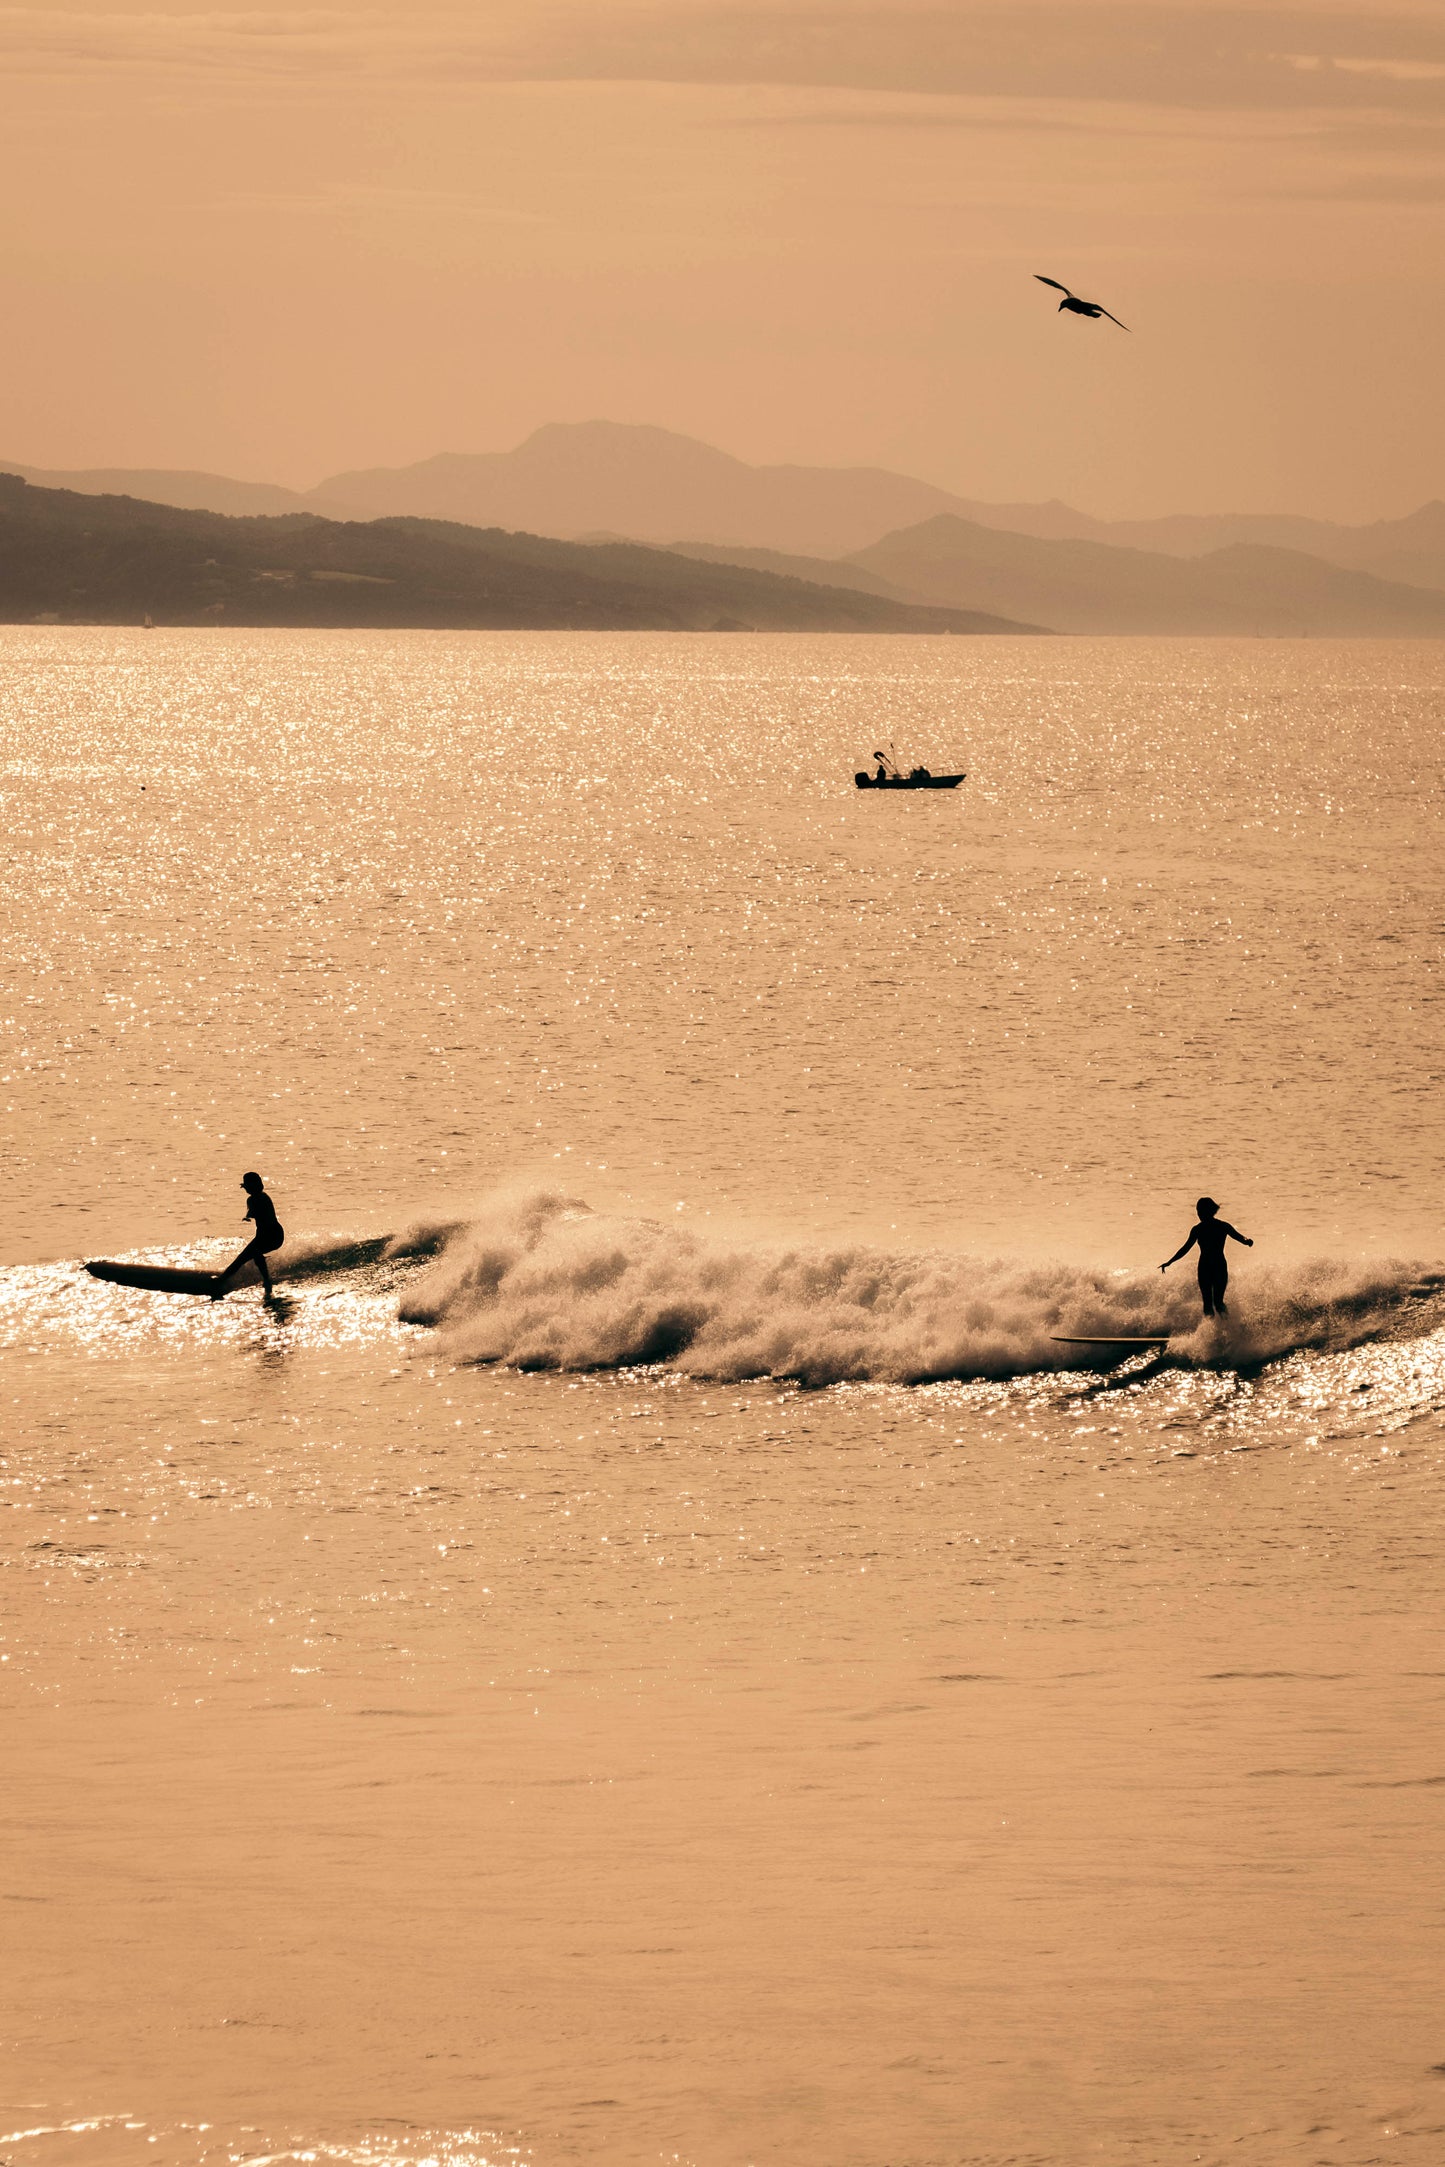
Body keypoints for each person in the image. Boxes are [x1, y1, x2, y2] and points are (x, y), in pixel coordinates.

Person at [1160, 1196, 1252, 1318]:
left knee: (1215, 1303)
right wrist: (1170, 1262)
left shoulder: (1218, 1226)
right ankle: (1213, 1333)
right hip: (1209, 1267)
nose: (1198, 1214)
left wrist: (1247, 1241)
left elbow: (1239, 1237)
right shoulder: (1201, 1229)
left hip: (1213, 1267)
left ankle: (1228, 1327)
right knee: (1210, 1304)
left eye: (1200, 1211)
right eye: (1198, 1211)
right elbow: (1185, 1248)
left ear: (1208, 1211)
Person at [212, 1171, 285, 1300]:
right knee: (245, 1257)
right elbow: (251, 1210)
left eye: (247, 1186)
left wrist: (250, 1215)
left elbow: (255, 1211)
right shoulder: (253, 1199)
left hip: (273, 1235)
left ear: (254, 1186)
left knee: (252, 1254)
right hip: (266, 1235)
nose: (245, 1188)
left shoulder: (262, 1198)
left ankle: (266, 1281)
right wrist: (248, 1215)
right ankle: (224, 1279)